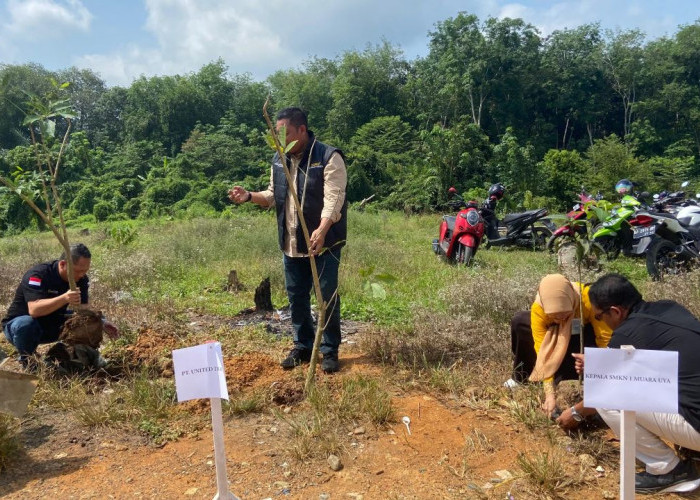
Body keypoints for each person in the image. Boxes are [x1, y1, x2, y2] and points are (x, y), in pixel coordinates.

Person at [228, 107, 347, 373]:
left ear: (302, 130)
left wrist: (323, 228)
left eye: (286, 134)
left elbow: (334, 199)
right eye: (278, 135)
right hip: (291, 244)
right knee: (297, 298)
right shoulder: (279, 159)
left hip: (324, 245)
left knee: (326, 297)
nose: (282, 141)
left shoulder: (329, 157)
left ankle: (328, 350)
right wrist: (248, 196)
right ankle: (303, 346)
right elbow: (272, 196)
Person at [559, 273, 700, 494]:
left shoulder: (627, 332)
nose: (599, 321)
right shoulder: (669, 307)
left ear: (615, 311)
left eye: (598, 317)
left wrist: (574, 413)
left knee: (610, 399)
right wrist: (601, 363)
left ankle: (669, 471)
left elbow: (605, 393)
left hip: (697, 427)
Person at [506, 274, 612, 420]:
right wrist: (549, 395)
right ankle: (521, 377)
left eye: (565, 314)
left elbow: (605, 340)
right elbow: (544, 355)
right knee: (521, 321)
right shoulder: (539, 309)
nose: (561, 319)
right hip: (556, 336)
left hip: (584, 336)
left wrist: (601, 370)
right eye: (555, 316)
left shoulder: (588, 299)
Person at [2, 243, 119, 369]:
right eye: (78, 271)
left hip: (53, 323)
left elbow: (83, 309)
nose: (81, 275)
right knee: (26, 324)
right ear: (63, 264)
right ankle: (29, 362)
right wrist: (65, 298)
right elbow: (34, 310)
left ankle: (76, 356)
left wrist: (101, 322)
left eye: (85, 271)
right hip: (20, 328)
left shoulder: (81, 279)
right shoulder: (38, 275)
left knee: (89, 320)